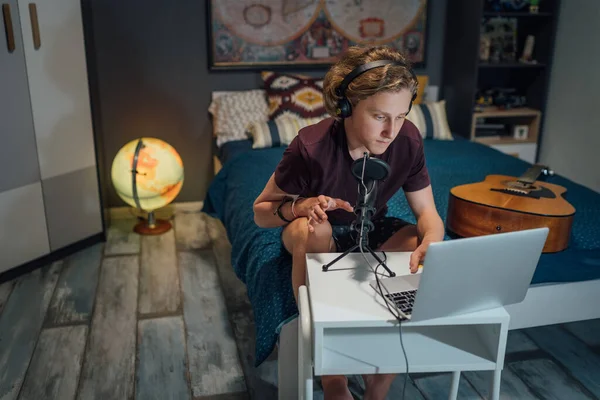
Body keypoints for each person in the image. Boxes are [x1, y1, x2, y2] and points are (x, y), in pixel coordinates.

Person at [253, 45, 445, 400]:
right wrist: (303, 205)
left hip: (371, 227)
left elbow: (428, 215)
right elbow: (261, 211)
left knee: (419, 254)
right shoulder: (309, 146)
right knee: (315, 227)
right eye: (379, 116)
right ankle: (333, 377)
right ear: (346, 107)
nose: (392, 130)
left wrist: (431, 240)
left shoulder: (409, 139)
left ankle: (380, 380)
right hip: (314, 228)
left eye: (401, 116)